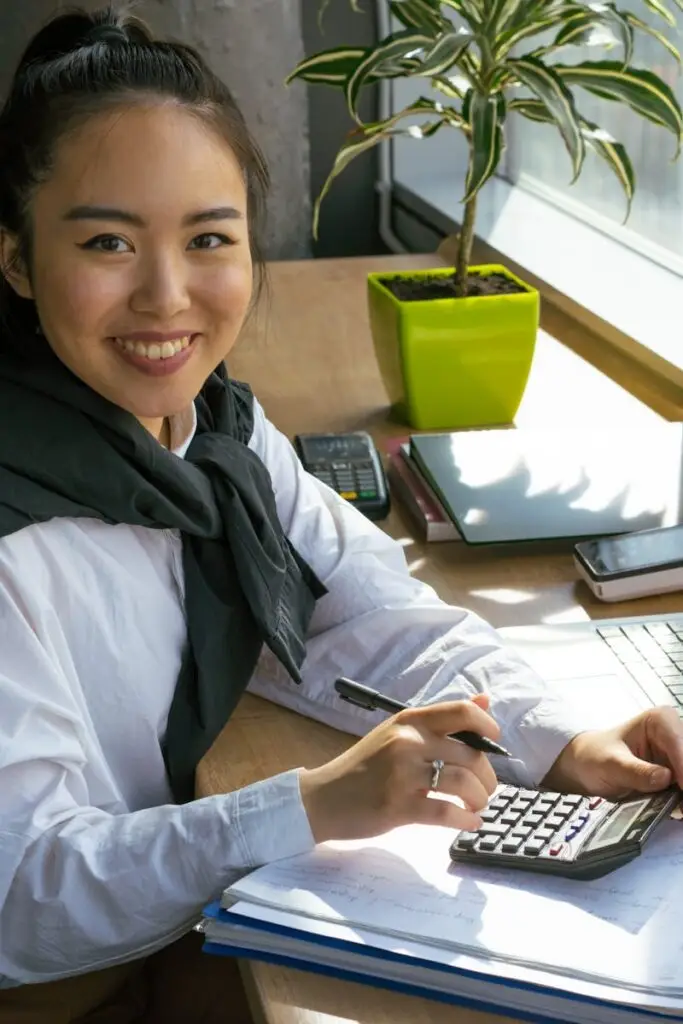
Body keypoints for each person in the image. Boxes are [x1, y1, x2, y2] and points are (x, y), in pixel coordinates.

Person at [0, 5, 682, 1022]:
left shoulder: (214, 435)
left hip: (146, 933)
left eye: (208, 237)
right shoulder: (20, 525)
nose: (166, 293)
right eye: (107, 240)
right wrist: (312, 802)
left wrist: (561, 735)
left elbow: (363, 615)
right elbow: (20, 899)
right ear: (15, 260)